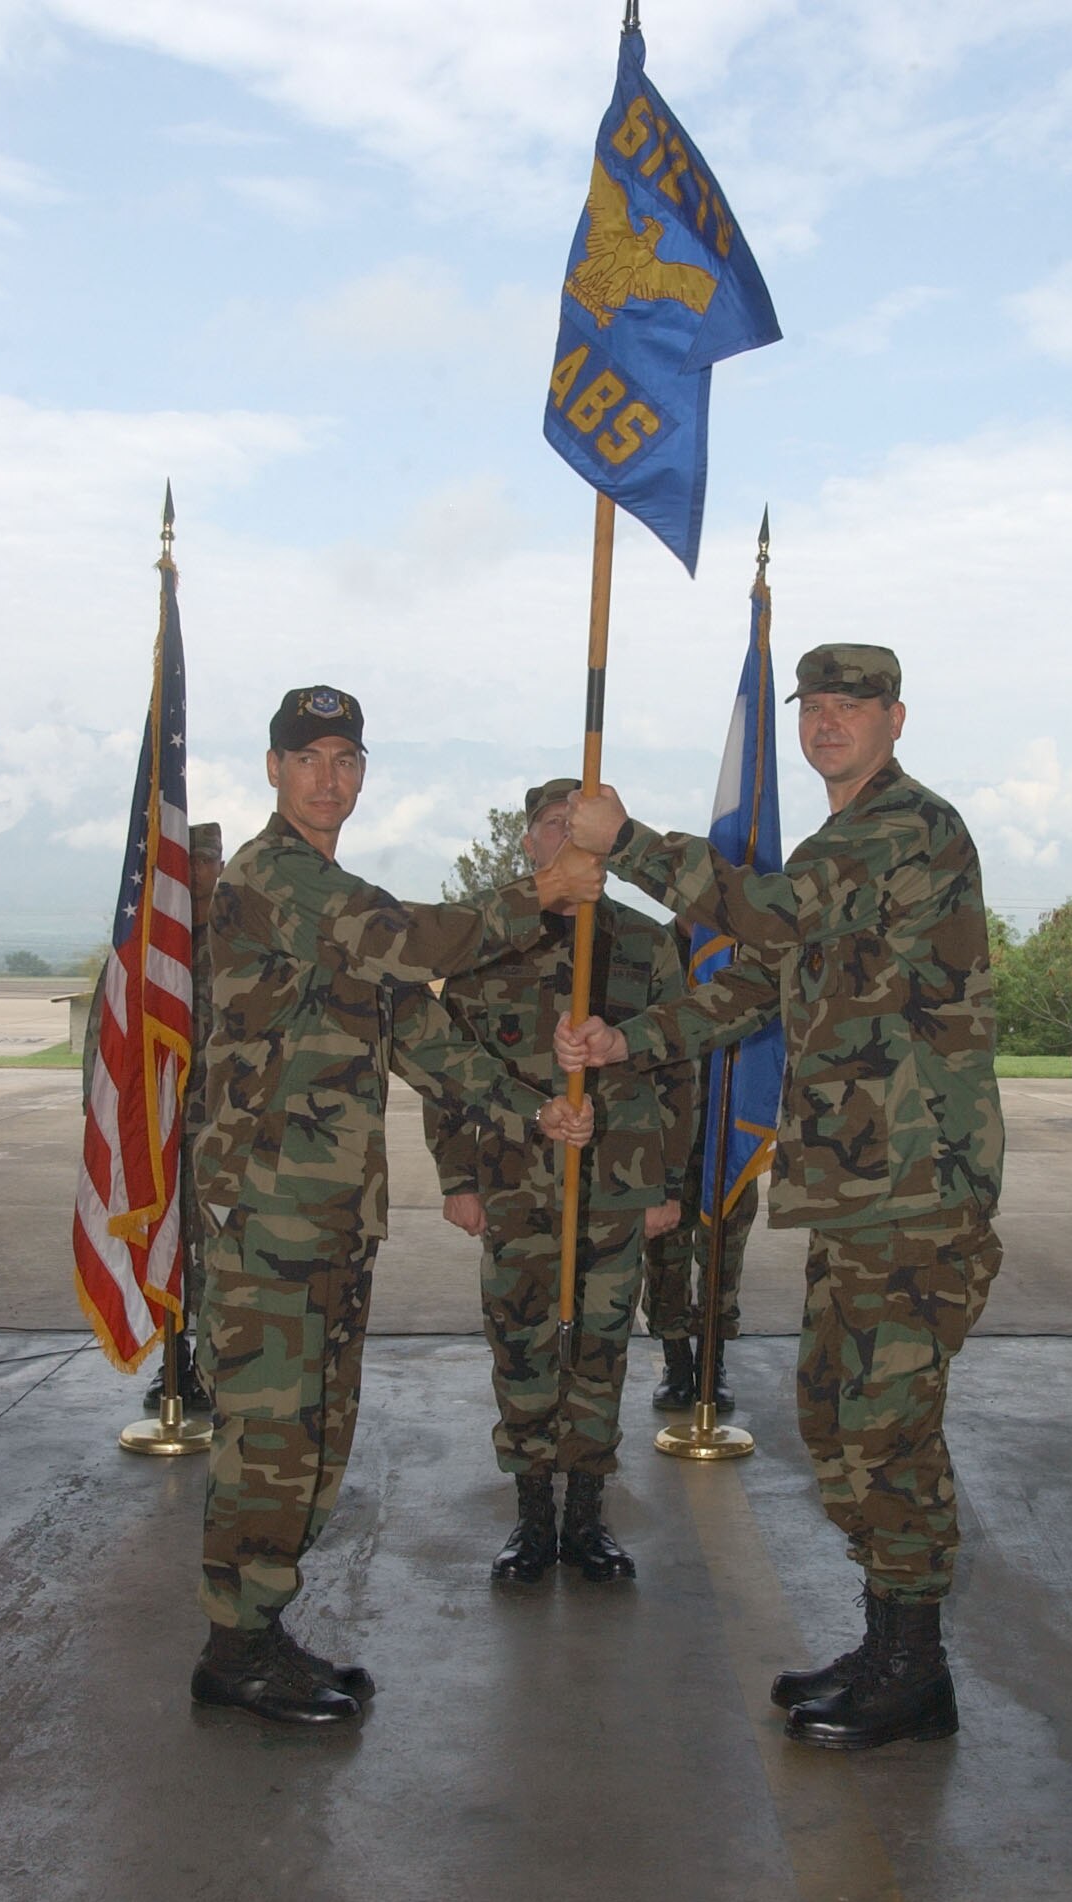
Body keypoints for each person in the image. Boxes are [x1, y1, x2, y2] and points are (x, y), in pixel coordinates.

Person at [558, 644, 1004, 1752]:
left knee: (889, 1425)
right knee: (840, 1415)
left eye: (853, 704)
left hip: (916, 1187)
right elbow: (750, 984)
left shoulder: (909, 827)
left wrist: (626, 846)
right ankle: (891, 1642)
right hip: (859, 1189)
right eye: (815, 703)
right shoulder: (834, 846)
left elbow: (762, 911)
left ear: (896, 717)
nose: (827, 720)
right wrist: (628, 1037)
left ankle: (914, 1666)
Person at [190, 689, 598, 1728]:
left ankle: (262, 1627)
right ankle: (234, 1647)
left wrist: (528, 1108)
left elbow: (420, 1028)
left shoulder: (332, 890)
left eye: (346, 756)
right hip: (269, 1212)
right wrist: (538, 893)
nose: (329, 776)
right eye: (308, 756)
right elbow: (416, 941)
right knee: (270, 1431)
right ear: (273, 769)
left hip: (330, 1209)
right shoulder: (271, 877)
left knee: (319, 1425)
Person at [425, 779, 694, 1584]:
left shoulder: (645, 945)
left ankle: (587, 1517)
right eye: (553, 826)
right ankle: (532, 1516)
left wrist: (667, 1185)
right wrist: (457, 1177)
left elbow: (679, 1071)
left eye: (583, 827)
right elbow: (446, 1072)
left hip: (617, 1184)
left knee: (602, 1349)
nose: (571, 840)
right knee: (522, 1345)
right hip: (515, 1185)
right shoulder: (487, 940)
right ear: (529, 844)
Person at [82, 821, 224, 1413]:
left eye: (209, 863)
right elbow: (105, 1046)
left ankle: (216, 1372)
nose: (200, 875)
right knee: (165, 1247)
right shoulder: (142, 953)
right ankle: (173, 1363)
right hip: (156, 1138)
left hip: (222, 1136)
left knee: (218, 1258)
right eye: (190, 865)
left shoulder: (242, 946)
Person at [642, 920, 757, 1415]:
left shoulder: (745, 956)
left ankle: (714, 1361)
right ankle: (675, 1362)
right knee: (664, 1254)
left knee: (723, 1252)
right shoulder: (649, 948)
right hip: (665, 1131)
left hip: (729, 1129)